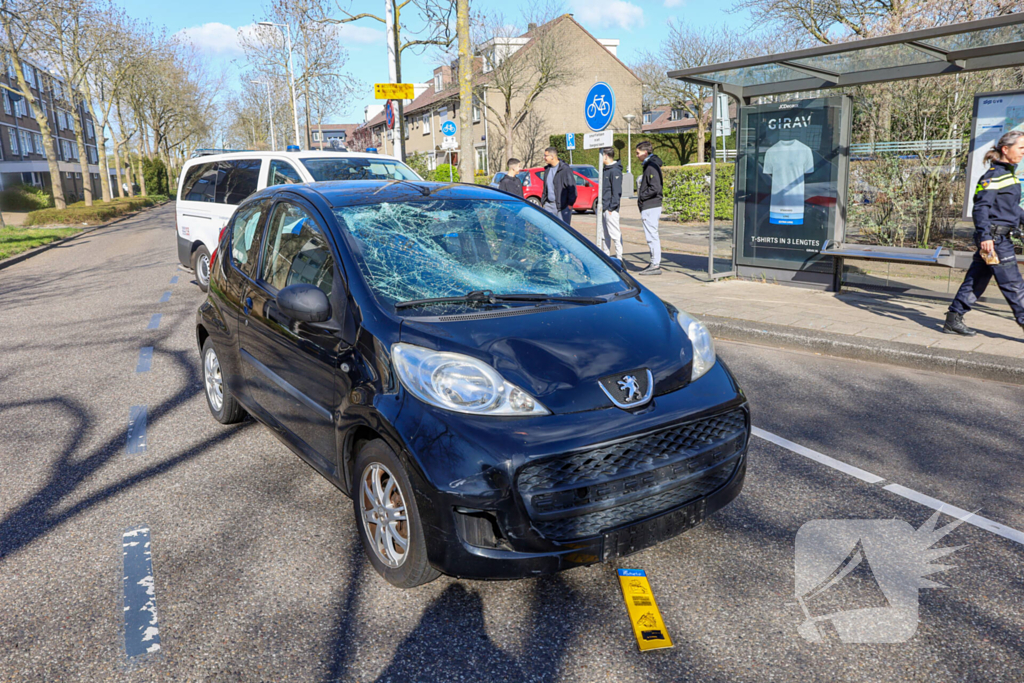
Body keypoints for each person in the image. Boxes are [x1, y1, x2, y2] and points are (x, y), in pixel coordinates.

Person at [944, 129, 1024, 336]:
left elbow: (1012, 209)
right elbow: (980, 208)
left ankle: (953, 318)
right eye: (1021, 148)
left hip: (995, 239)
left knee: (977, 278)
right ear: (1006, 149)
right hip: (995, 241)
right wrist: (986, 237)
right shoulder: (993, 177)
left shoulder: (1008, 176)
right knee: (1013, 285)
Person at [635, 141, 663, 275]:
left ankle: (655, 264)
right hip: (651, 205)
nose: (637, 156)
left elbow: (655, 188)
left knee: (652, 236)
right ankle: (654, 262)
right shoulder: (651, 165)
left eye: (638, 153)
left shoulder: (651, 166)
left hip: (650, 205)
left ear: (645, 152)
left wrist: (642, 197)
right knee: (652, 235)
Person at [540, 147, 576, 225]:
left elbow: (572, 188)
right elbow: (545, 188)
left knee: (563, 232)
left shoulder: (565, 169)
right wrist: (543, 201)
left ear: (552, 156)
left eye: (546, 156)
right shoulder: (547, 169)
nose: (544, 157)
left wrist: (570, 204)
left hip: (562, 207)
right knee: (548, 231)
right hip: (548, 205)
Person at [600, 147, 623, 260]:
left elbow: (616, 191)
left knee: (615, 234)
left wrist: (611, 208)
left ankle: (619, 258)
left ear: (605, 156)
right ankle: (606, 256)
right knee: (604, 235)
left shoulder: (615, 171)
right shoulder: (605, 170)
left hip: (610, 209)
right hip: (604, 208)